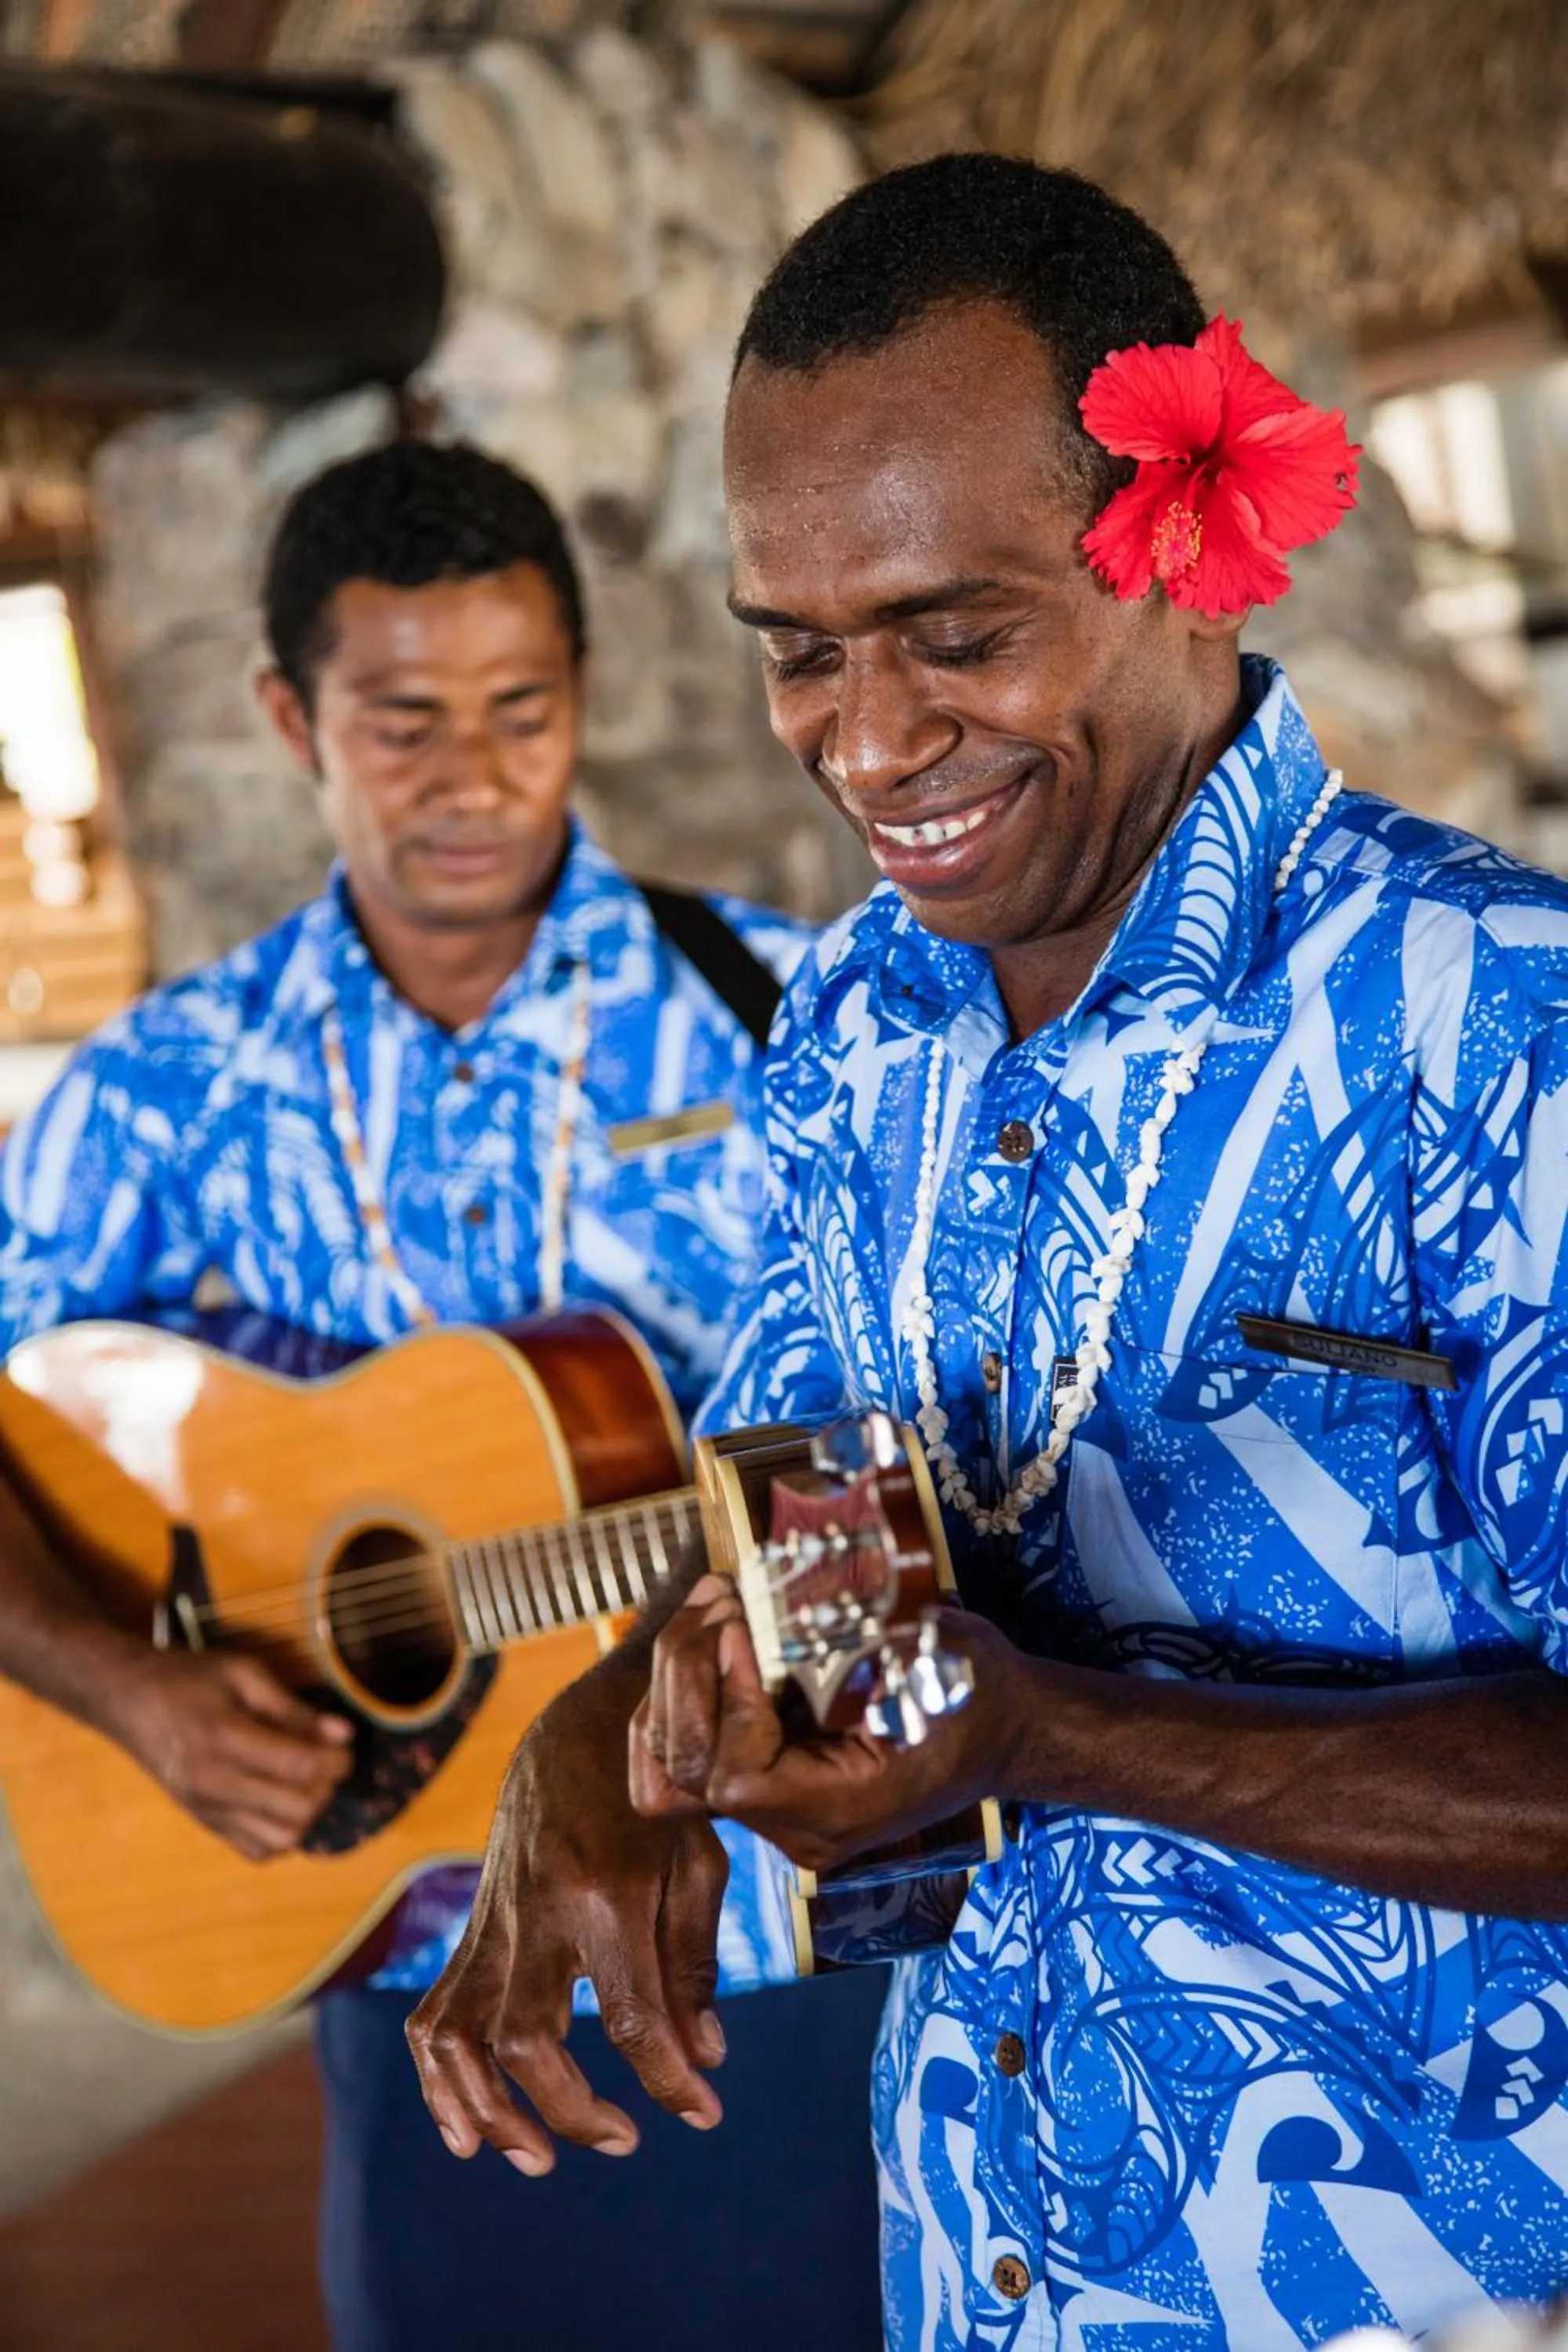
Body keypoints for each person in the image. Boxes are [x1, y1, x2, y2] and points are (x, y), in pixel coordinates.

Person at [408, 158, 1568, 2348]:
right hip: (982, 2265)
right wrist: (597, 1724)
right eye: (801, 656)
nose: (869, 743)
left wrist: (1046, 1733)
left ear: (1183, 552)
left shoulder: (1496, 1025)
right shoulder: (854, 1024)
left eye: (957, 635)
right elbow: (794, 1504)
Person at [0, 439, 887, 2350]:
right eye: (401, 722)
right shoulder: (163, 1092)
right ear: (282, 716)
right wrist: (131, 1687)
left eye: (519, 710)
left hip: (774, 1939)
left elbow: (917, 1429)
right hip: (407, 1974)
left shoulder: (796, 1014)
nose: (473, 776)